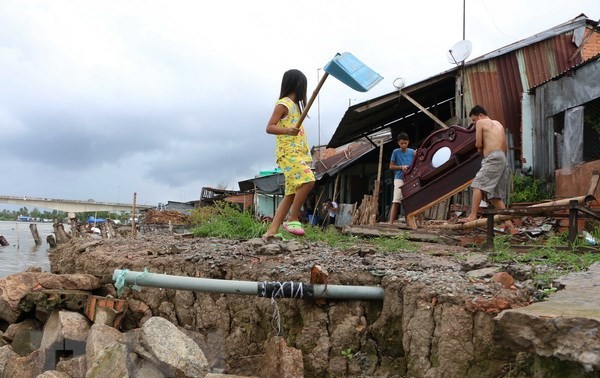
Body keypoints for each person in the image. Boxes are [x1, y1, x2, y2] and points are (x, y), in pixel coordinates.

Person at [262, 69, 315, 241]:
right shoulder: (283, 104)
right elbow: (270, 127)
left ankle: (271, 231)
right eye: (304, 86)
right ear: (298, 84)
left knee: (290, 194)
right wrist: (287, 130)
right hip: (288, 153)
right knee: (308, 180)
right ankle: (292, 219)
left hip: (298, 153)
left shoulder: (297, 107)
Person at [458, 105, 517, 233]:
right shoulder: (498, 124)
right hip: (502, 157)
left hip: (493, 157)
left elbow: (478, 144)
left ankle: (472, 215)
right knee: (494, 196)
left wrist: (480, 150)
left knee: (477, 185)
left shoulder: (480, 122)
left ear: (479, 115)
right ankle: (510, 226)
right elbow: (504, 145)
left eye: (474, 120)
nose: (474, 123)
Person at [388, 132, 414, 225]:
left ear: (408, 142)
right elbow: (391, 166)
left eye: (405, 143)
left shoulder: (412, 152)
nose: (403, 145)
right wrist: (401, 167)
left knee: (412, 200)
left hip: (410, 178)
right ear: (398, 143)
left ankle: (416, 222)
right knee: (396, 201)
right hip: (399, 178)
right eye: (402, 143)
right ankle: (390, 223)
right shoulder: (395, 152)